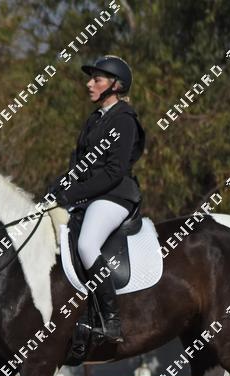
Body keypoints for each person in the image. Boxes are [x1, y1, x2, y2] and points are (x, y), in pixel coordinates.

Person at [46, 54, 146, 343]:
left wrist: (71, 194)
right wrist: (56, 188)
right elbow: (79, 165)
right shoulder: (95, 119)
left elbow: (114, 172)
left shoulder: (124, 120)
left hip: (114, 195)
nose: (89, 84)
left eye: (97, 80)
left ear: (116, 85)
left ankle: (111, 320)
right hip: (91, 195)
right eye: (91, 79)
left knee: (87, 245)